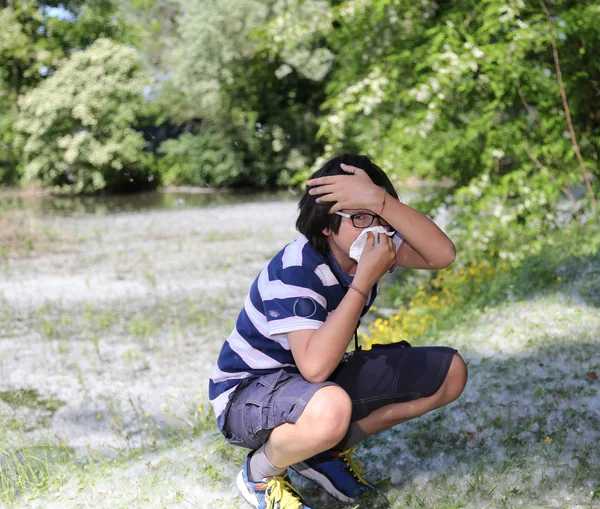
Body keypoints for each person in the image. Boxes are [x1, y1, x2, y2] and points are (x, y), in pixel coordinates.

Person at [209, 154, 468, 509]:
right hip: (248, 394)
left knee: (449, 374)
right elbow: (314, 367)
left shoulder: (374, 248)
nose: (375, 229)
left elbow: (442, 255)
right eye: (359, 217)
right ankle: (260, 473)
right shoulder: (295, 269)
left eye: (382, 218)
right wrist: (363, 281)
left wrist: (379, 200)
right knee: (330, 407)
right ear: (327, 225)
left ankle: (320, 452)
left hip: (315, 383)